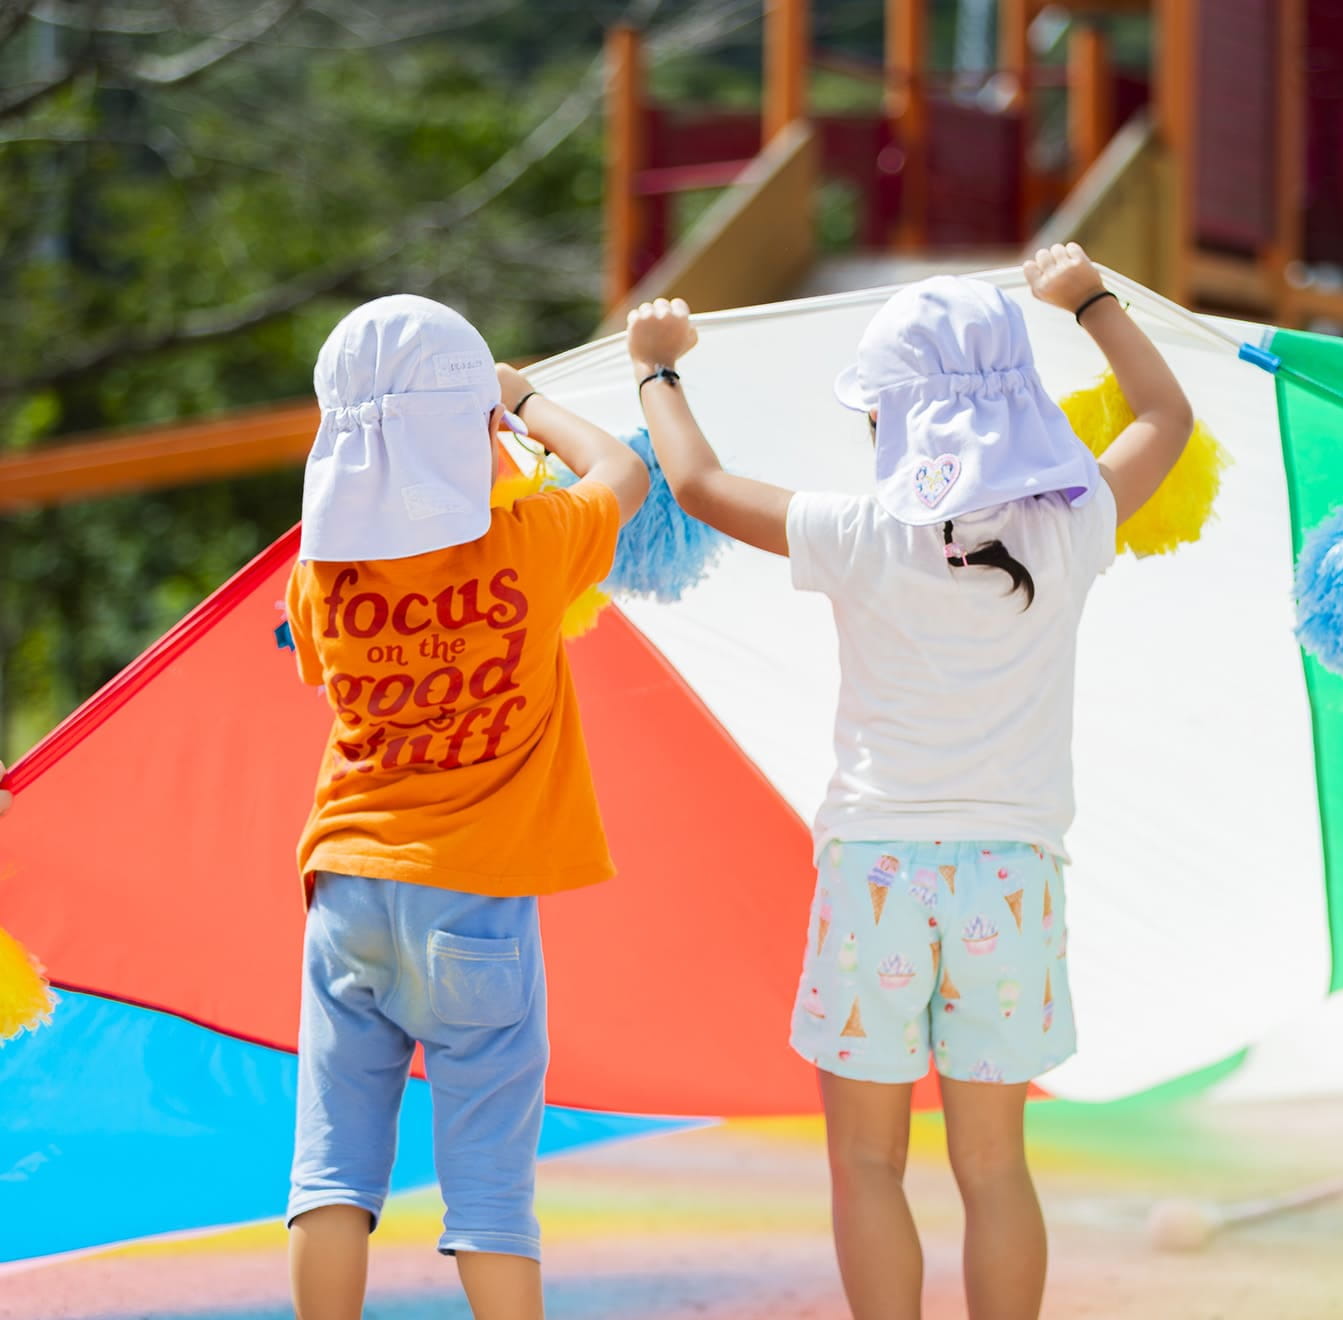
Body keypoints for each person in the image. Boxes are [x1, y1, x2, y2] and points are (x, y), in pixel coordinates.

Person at [623, 244, 1192, 1320]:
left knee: (868, 1166)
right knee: (993, 1170)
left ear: (894, 420)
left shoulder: (859, 533)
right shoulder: (1069, 527)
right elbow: (1163, 418)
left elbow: (694, 486)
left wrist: (657, 368)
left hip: (874, 872)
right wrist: (1089, 302)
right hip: (1012, 878)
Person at [283, 294, 647, 1320]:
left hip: (347, 891)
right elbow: (621, 474)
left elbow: (320, 663)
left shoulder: (318, 574)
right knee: (488, 1184)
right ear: (468, 436)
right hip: (474, 903)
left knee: (332, 1172)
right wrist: (524, 401)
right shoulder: (529, 544)